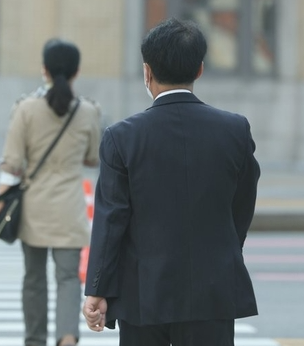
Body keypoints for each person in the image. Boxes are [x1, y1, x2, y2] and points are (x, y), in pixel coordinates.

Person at [82, 18, 260, 346]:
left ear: (147, 72)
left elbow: (111, 221)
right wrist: (226, 247)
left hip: (143, 294)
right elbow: (243, 203)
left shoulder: (122, 138)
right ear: (200, 70)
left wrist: (98, 289)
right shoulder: (234, 130)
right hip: (213, 289)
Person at [0, 39, 101, 346]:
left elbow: (11, 164)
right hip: (69, 209)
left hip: (33, 209)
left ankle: (34, 339)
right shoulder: (88, 112)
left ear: (44, 69)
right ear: (76, 72)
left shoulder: (25, 109)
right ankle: (66, 338)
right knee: (67, 279)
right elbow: (92, 158)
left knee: (33, 280)